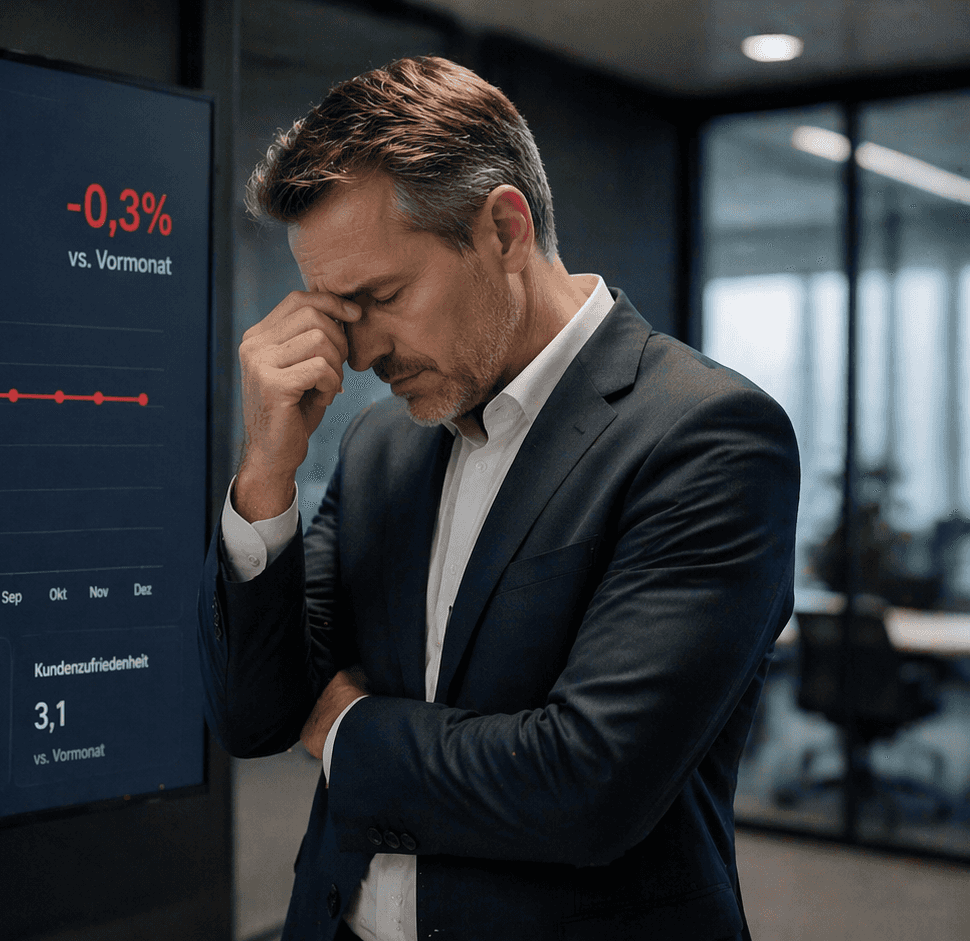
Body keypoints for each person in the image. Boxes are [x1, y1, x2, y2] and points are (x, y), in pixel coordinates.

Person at [197, 56, 799, 941]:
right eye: (334, 310)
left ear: (505, 231)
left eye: (380, 297)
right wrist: (266, 474)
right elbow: (255, 716)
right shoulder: (380, 447)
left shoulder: (705, 436)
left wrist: (348, 730)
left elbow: (584, 784)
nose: (357, 355)